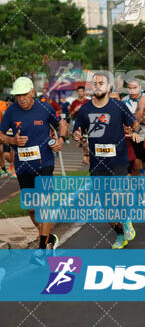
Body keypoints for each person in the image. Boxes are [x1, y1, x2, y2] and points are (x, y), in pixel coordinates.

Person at [0, 77, 68, 265]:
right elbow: (1, 134)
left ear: (32, 92)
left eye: (24, 94)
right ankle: (49, 238)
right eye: (17, 95)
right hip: (23, 166)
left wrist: (61, 139)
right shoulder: (11, 111)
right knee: (31, 209)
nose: (21, 99)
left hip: (44, 162)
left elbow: (62, 124)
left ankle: (41, 250)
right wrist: (12, 141)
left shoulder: (45, 108)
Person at [73, 72, 138, 249]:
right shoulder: (85, 110)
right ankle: (119, 234)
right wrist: (77, 135)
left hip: (118, 160)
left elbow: (134, 123)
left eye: (101, 83)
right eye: (95, 83)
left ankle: (125, 220)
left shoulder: (118, 106)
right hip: (97, 163)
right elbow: (77, 132)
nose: (98, 85)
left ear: (108, 87)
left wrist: (135, 131)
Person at [123, 79, 145, 176]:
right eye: (130, 88)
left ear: (140, 88)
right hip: (133, 137)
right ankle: (138, 190)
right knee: (135, 166)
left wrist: (143, 119)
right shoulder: (124, 100)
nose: (132, 91)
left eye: (134, 88)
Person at [70, 86, 90, 165]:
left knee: (89, 141)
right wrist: (75, 110)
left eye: (81, 91)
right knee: (84, 141)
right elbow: (70, 115)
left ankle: (87, 157)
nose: (80, 93)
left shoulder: (88, 101)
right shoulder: (74, 102)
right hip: (78, 123)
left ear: (84, 92)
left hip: (88, 123)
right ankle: (86, 157)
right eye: (79, 91)